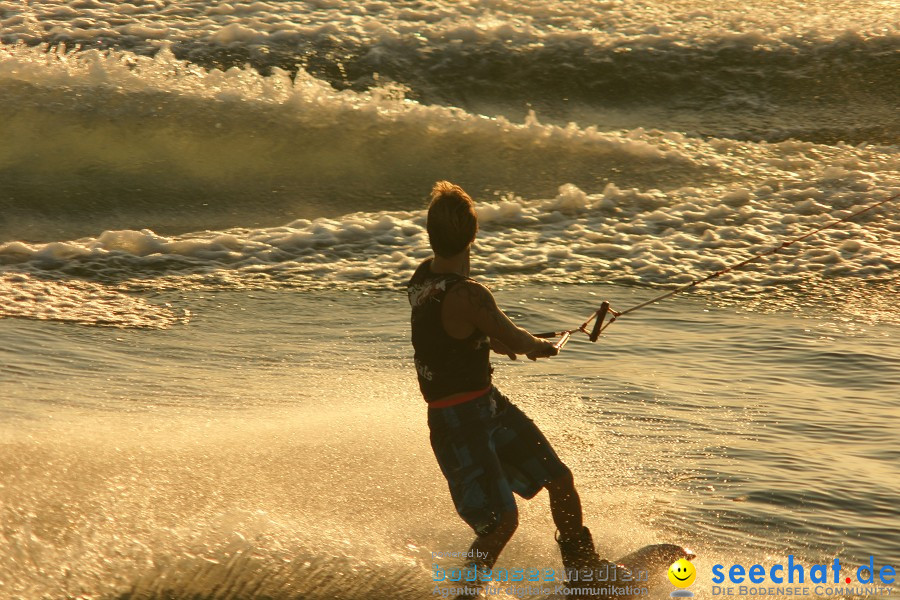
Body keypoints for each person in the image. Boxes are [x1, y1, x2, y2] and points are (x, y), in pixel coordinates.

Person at [407, 181, 631, 598]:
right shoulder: (469, 293)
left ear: (432, 235)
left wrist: (490, 341)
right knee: (499, 523)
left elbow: (451, 334)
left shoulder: (422, 279)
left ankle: (583, 570)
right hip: (459, 420)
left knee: (559, 479)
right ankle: (463, 594)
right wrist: (536, 346)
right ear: (472, 235)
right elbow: (512, 334)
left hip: (485, 406)